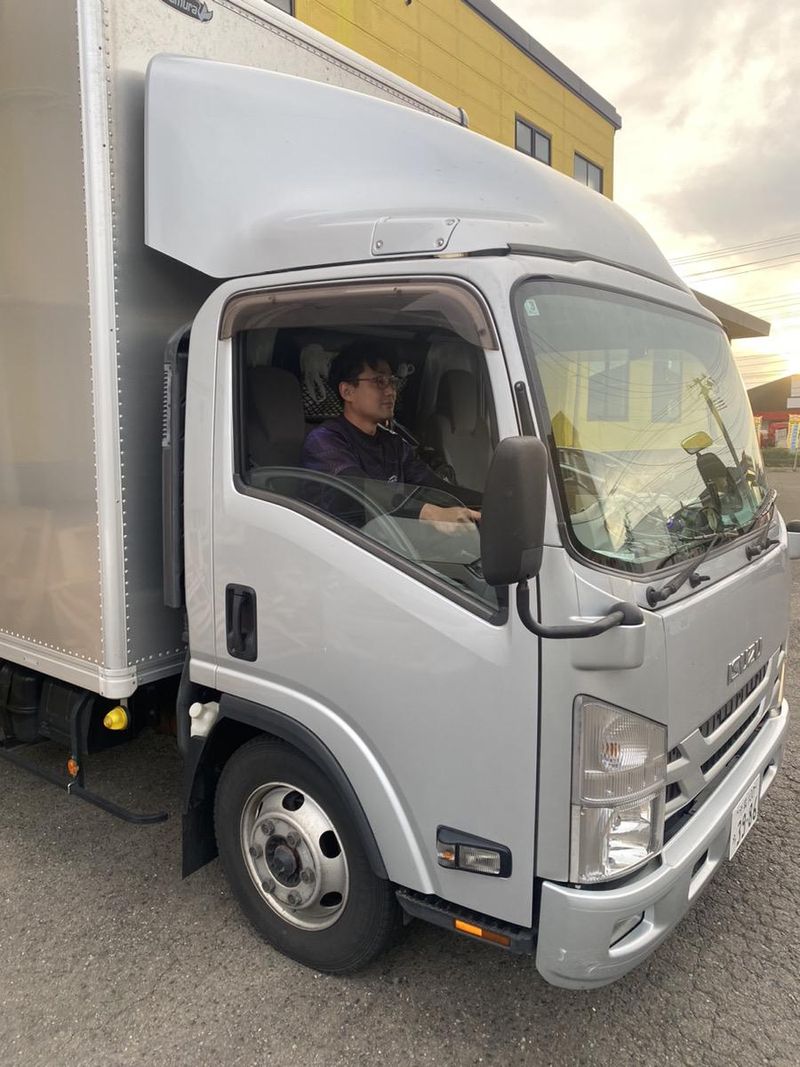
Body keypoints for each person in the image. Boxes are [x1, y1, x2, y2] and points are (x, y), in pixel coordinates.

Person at [302, 339, 481, 529]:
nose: (391, 391)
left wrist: (490, 502)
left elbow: (433, 488)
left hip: (388, 538)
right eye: (379, 382)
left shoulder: (394, 444)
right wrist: (430, 513)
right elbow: (359, 488)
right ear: (347, 391)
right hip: (341, 540)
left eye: (392, 382)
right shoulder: (324, 441)